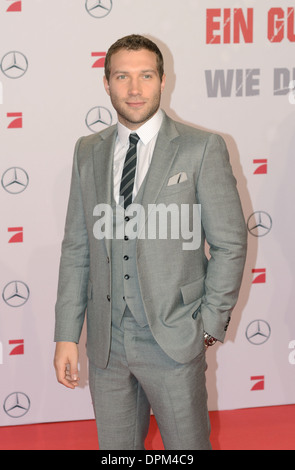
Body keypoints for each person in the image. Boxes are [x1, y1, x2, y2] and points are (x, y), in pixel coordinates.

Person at [54, 34, 247, 450]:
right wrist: (67, 335)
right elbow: (76, 248)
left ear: (163, 80)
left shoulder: (201, 148)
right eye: (122, 76)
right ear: (107, 84)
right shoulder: (87, 151)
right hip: (107, 345)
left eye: (146, 75)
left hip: (175, 339)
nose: (135, 88)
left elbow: (230, 243)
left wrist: (209, 325)